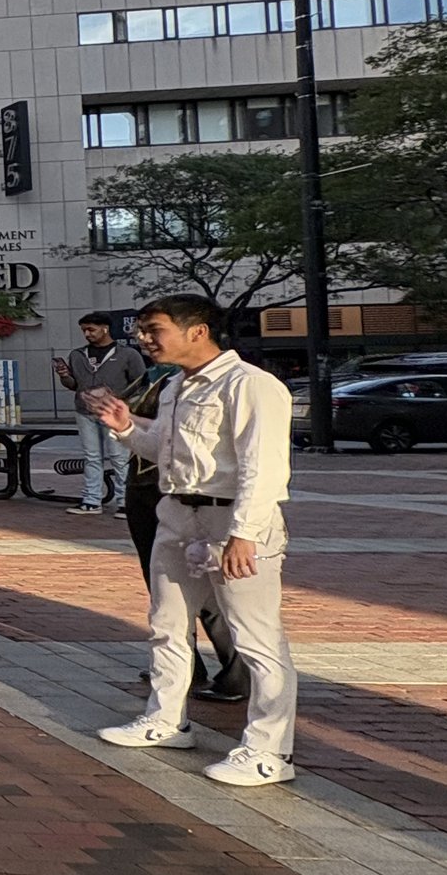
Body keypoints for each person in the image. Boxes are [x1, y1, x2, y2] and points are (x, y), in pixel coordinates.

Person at [82, 293, 299, 788]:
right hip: (179, 514)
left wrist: (244, 533)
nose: (145, 339)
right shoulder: (178, 386)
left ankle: (270, 750)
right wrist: (125, 427)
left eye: (154, 329)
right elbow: (166, 448)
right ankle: (165, 718)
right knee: (167, 624)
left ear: (197, 330)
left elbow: (262, 468)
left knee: (257, 638)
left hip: (232, 521)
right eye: (142, 329)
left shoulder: (251, 386)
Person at [122, 363, 244, 702]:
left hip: (184, 491)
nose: (146, 339)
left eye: (155, 330)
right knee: (164, 584)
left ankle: (237, 671)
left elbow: (173, 436)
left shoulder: (213, 382)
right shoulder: (160, 379)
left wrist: (127, 420)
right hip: (147, 484)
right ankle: (185, 665)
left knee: (204, 585)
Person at [56, 312, 147, 514]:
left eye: (91, 329)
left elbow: (140, 383)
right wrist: (64, 376)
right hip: (85, 410)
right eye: (84, 330)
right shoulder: (78, 355)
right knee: (92, 456)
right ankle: (91, 500)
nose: (87, 334)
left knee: (119, 456)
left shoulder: (127, 354)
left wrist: (124, 402)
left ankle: (125, 502)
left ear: (105, 328)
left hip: (114, 411)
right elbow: (74, 384)